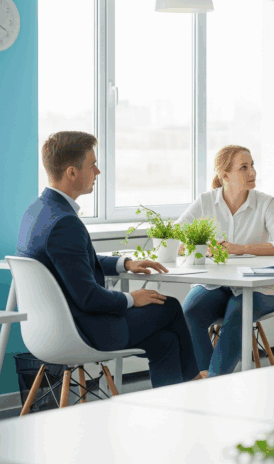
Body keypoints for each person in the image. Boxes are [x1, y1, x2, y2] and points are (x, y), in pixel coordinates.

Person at [17, 131, 199, 388]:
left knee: (165, 341)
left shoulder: (36, 211)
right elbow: (89, 297)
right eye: (92, 165)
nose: (98, 171)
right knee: (168, 307)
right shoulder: (65, 223)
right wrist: (130, 299)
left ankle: (172, 404)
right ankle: (196, 384)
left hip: (48, 331)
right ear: (72, 172)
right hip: (84, 331)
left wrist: (123, 263)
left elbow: (74, 261)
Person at [179, 145, 274, 377]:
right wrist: (202, 246)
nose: (252, 172)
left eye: (252, 165)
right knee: (190, 311)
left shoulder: (265, 203)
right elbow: (174, 238)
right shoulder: (205, 202)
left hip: (259, 288)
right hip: (215, 285)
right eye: (244, 167)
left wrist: (241, 249)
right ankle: (206, 378)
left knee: (238, 312)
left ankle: (214, 382)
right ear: (224, 175)